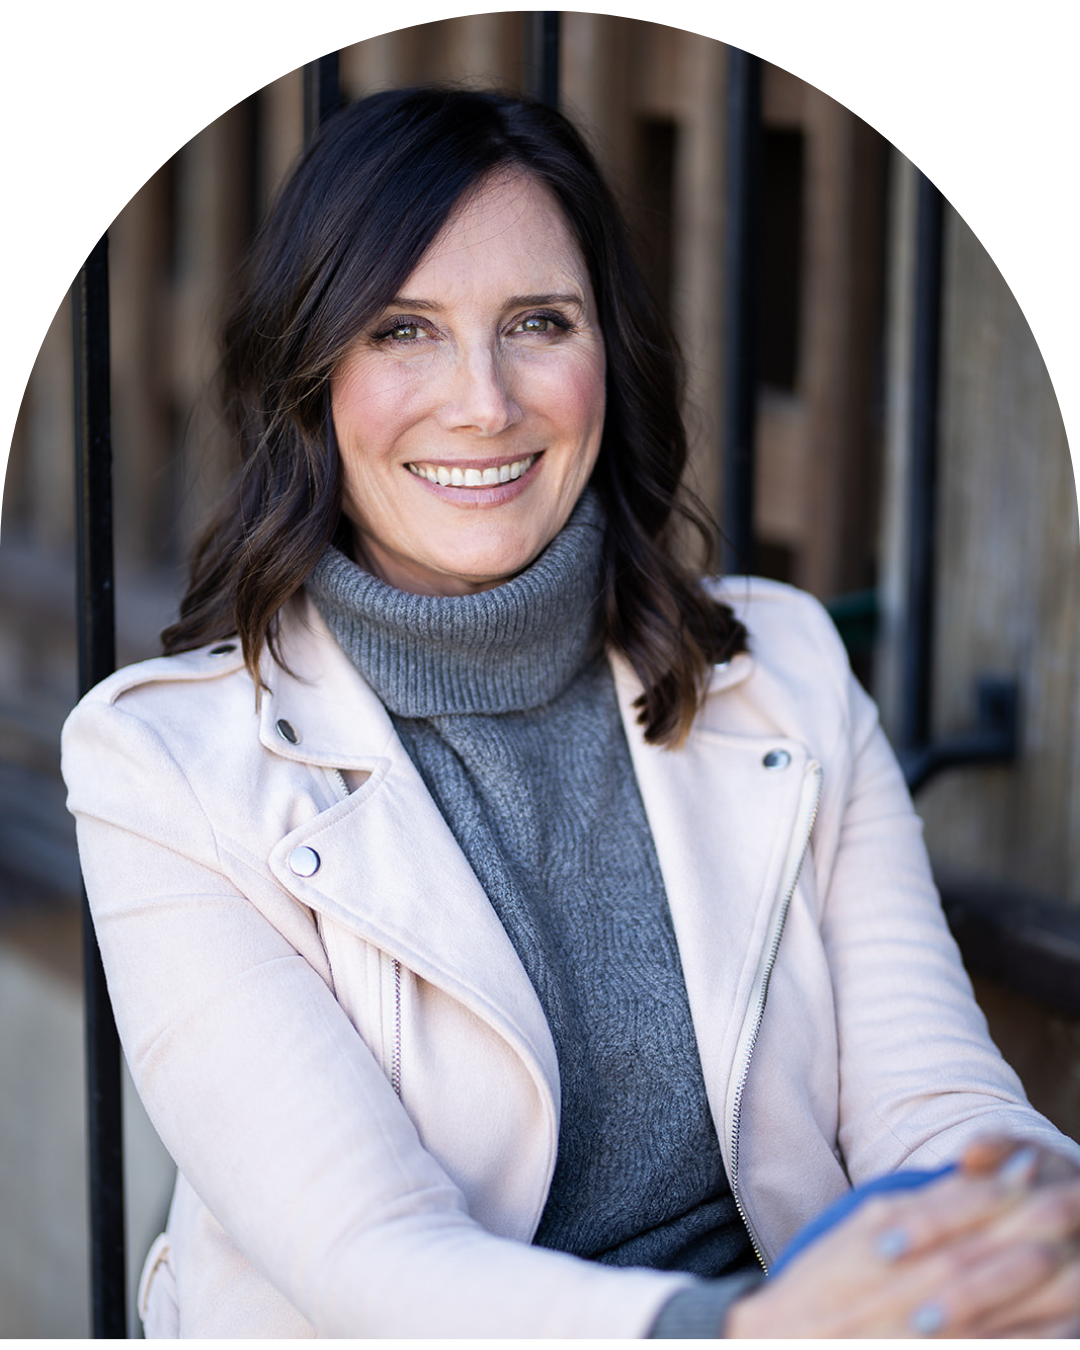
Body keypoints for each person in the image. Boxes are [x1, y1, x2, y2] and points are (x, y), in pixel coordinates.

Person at [61, 86, 1080, 1342]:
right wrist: (736, 1333)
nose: (484, 401)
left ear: (611, 349)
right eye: (402, 330)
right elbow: (370, 1255)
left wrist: (1020, 1230)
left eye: (537, 322)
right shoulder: (161, 767)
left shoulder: (787, 669)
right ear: (310, 371)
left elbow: (933, 1103)